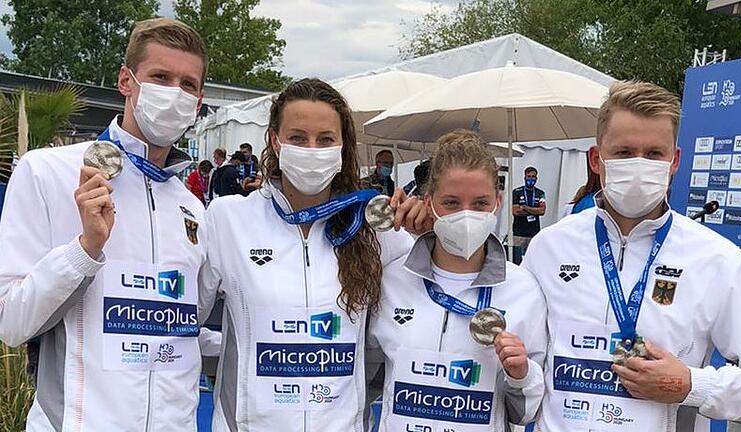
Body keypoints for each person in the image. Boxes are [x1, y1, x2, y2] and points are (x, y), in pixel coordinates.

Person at [0, 18, 209, 431]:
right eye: (161, 77)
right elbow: (11, 323)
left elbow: (185, 329)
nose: (174, 94)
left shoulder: (191, 207)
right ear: (126, 82)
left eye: (187, 84)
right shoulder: (47, 172)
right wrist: (85, 249)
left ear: (199, 101)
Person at [522, 81, 741, 431]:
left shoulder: (717, 259)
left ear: (674, 161)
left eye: (653, 154)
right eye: (623, 153)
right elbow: (521, 367)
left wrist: (691, 385)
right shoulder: (548, 248)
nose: (639, 165)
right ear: (596, 159)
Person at [198, 78, 422, 431]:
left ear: (342, 146)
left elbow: (421, 319)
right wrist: (228, 352)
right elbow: (179, 323)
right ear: (275, 140)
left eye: (325, 140)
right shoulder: (228, 219)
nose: (312, 149)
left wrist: (426, 231)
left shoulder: (375, 231)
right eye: (298, 138)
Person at [367, 130, 547, 431]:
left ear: (498, 201)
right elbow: (364, 386)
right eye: (450, 202)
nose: (466, 215)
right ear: (429, 202)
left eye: (479, 204)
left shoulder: (523, 290)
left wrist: (522, 374)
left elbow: (527, 412)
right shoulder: (393, 279)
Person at [511, 167, 545, 264]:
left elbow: (542, 211)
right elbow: (515, 211)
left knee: (532, 261)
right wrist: (534, 210)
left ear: (536, 178)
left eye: (533, 177)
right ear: (524, 177)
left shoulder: (540, 193)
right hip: (519, 233)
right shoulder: (517, 192)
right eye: (529, 176)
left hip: (534, 233)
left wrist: (525, 207)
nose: (531, 179)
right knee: (517, 261)